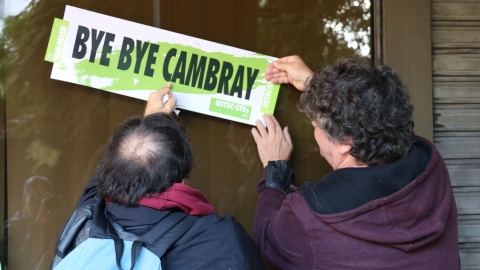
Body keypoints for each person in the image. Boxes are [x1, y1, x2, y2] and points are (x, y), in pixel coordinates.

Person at [251, 56, 460, 269]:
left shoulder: (311, 217)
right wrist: (314, 85)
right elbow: (380, 118)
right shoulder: (431, 166)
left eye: (316, 125)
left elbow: (267, 236)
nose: (314, 124)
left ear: (346, 142)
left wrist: (275, 165)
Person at [51, 83, 265, 269]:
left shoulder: (87, 219)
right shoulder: (222, 240)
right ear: (183, 181)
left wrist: (149, 128)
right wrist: (275, 171)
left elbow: (105, 179)